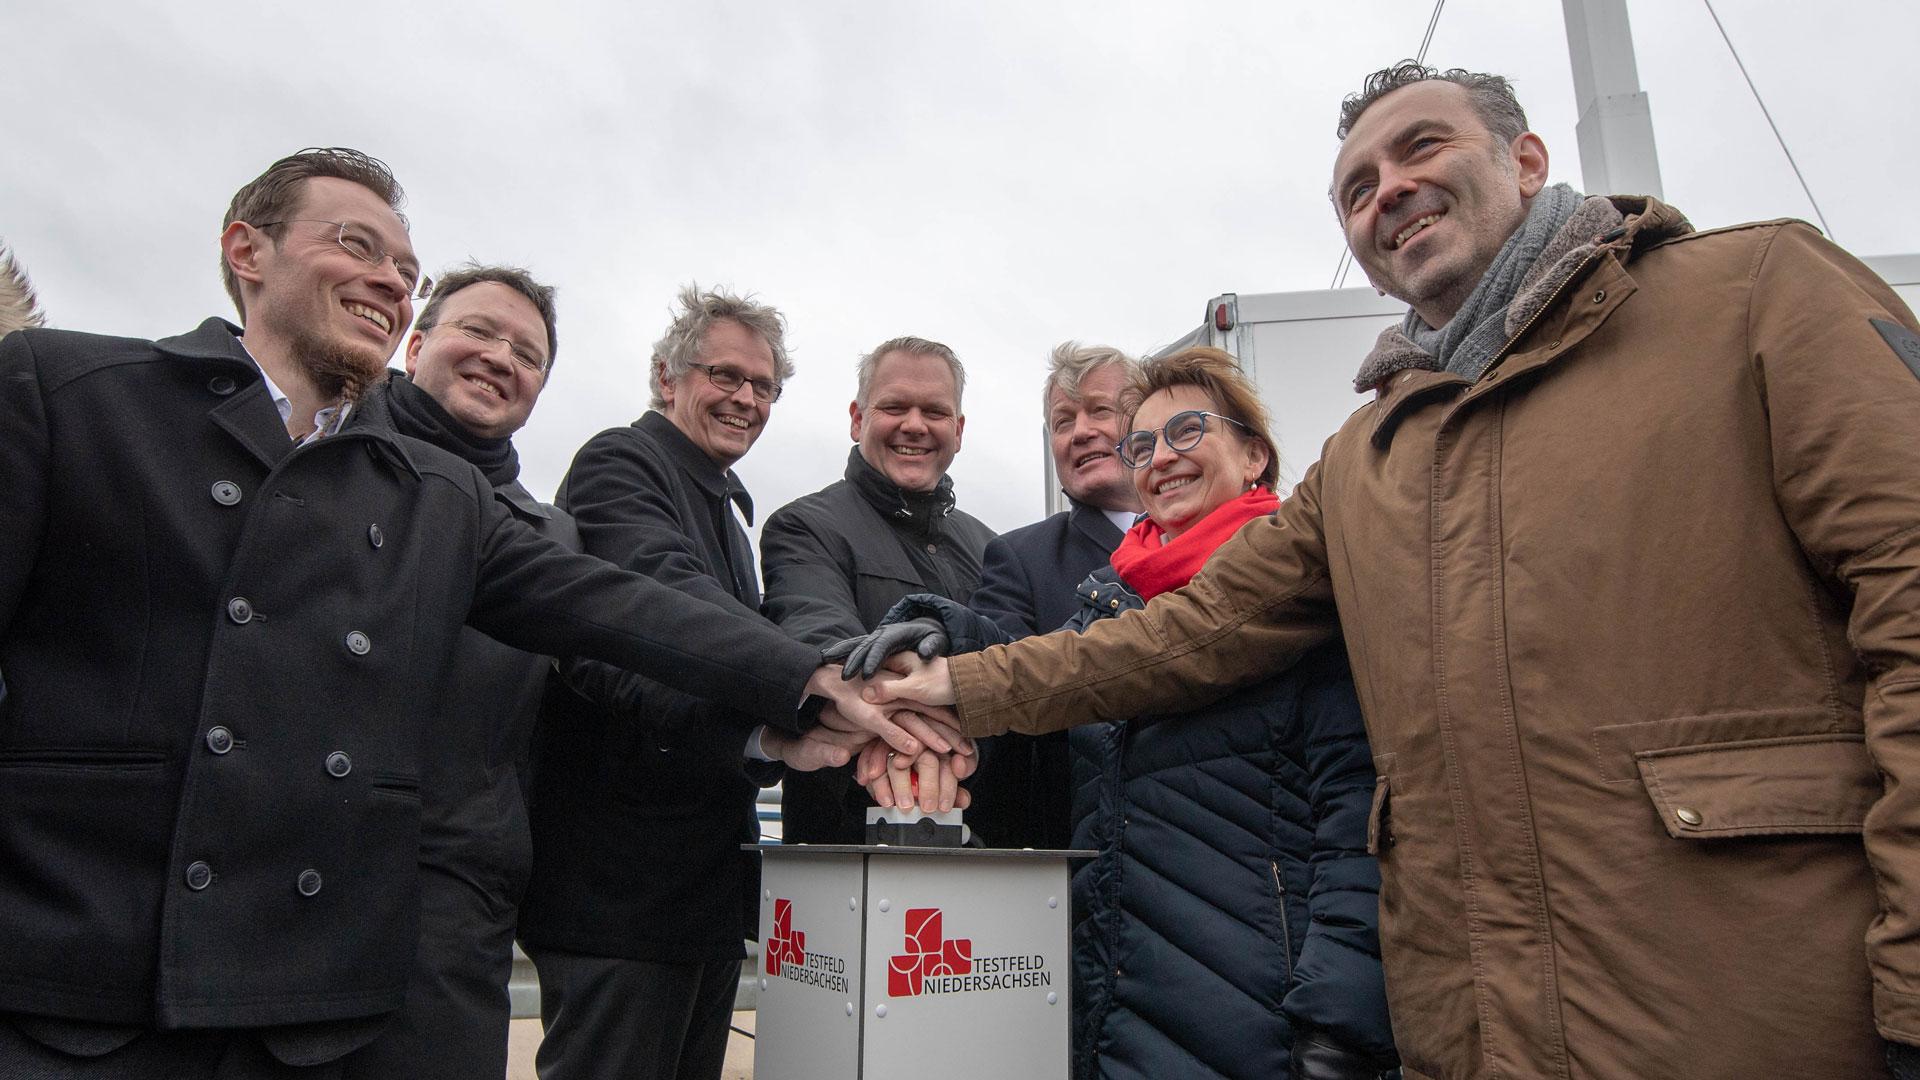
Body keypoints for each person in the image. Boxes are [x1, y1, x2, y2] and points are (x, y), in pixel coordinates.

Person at [850, 62, 1920, 1080]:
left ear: (1528, 158)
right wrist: (953, 683)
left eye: (1422, 148)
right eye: (1357, 188)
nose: (1389, 191)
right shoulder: (1370, 459)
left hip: (1764, 1007)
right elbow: (1187, 634)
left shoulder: (1753, 294)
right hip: (1479, 1028)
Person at [0, 147, 942, 1078]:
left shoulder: (440, 497)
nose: (386, 278)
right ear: (247, 249)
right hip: (85, 964)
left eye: (404, 269)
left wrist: (804, 687)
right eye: (354, 244)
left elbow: (613, 614)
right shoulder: (70, 392)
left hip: (365, 954)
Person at [857, 347, 1395, 1079]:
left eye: (1188, 432)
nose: (1160, 458)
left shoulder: (1305, 605)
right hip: (1118, 1006)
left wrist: (1338, 1028)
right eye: (1142, 444)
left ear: (1255, 455)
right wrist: (948, 639)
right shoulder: (1108, 608)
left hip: (1260, 1024)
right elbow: (1050, 747)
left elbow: (1359, 828)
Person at [518, 285, 803, 1080]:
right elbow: (667, 598)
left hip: (700, 898)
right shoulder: (620, 463)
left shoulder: (726, 511)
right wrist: (808, 685)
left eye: (763, 386)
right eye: (725, 375)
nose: (744, 398)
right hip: (616, 901)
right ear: (665, 376)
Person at [335, 263, 573, 1079]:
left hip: (453, 903)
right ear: (415, 342)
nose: (502, 357)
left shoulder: (551, 536)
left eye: (528, 352)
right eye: (479, 331)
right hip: (281, 870)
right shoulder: (318, 455)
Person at [760, 335, 995, 843]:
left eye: (934, 411)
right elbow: (821, 640)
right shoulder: (804, 526)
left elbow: (1019, 659)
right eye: (894, 407)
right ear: (857, 418)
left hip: (988, 839)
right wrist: (918, 738)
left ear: (958, 429)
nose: (914, 424)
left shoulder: (991, 549)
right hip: (844, 843)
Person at [964, 342, 1141, 849]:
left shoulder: (1213, 537)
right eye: (1063, 421)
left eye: (1100, 411)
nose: (1081, 431)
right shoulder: (1019, 557)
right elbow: (1003, 693)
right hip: (1082, 846)